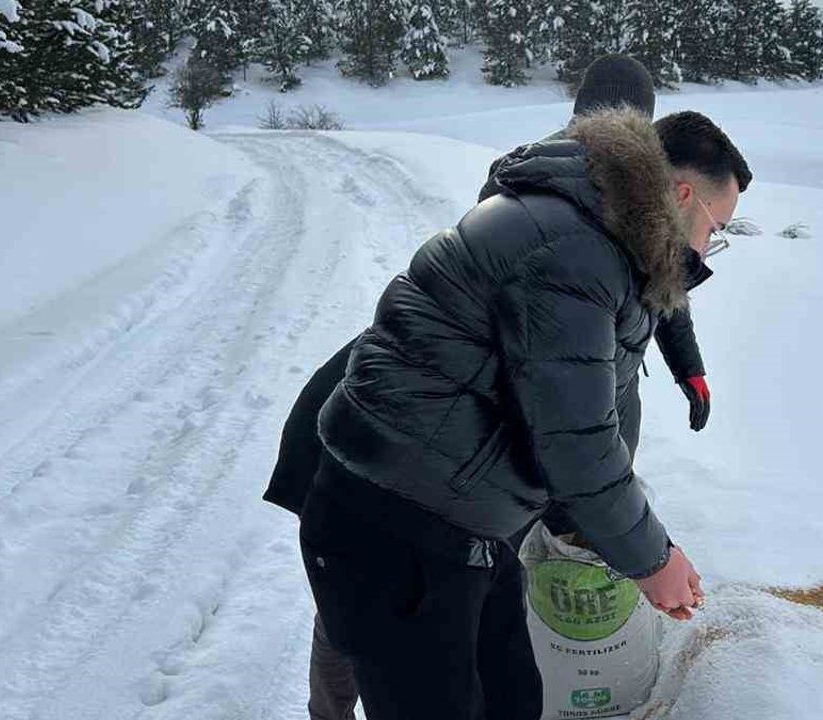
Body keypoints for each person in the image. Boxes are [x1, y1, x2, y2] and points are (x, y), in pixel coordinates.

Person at [264, 55, 719, 720]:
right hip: (375, 436)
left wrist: (688, 365)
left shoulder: (605, 200)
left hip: (435, 445)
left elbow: (653, 293)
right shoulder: (566, 194)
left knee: (429, 606)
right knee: (355, 612)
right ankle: (326, 713)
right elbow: (567, 382)